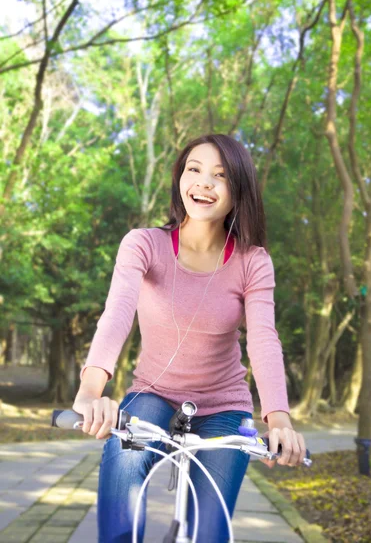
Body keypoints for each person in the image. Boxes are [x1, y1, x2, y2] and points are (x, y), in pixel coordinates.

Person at [73, 134, 307, 543]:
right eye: (194, 169)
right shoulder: (144, 244)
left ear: (238, 192)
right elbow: (118, 313)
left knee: (209, 531)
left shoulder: (253, 262)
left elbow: (264, 339)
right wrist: (91, 391)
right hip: (154, 393)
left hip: (224, 406)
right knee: (123, 464)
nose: (204, 183)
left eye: (220, 176)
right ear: (180, 177)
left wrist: (280, 422)